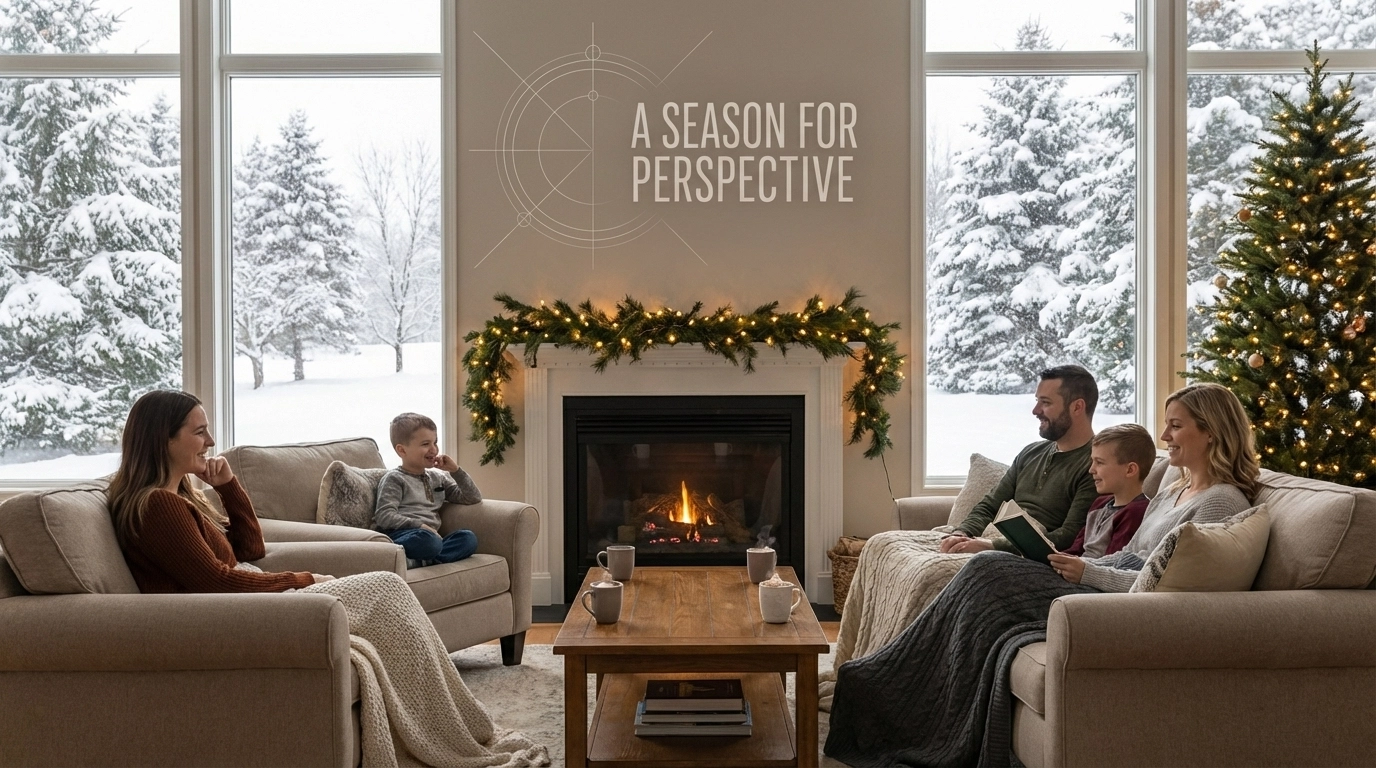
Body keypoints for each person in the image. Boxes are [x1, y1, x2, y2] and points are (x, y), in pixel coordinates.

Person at [824, 383, 1260, 767]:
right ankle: (902, 684)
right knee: (987, 569)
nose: (1165, 436)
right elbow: (1128, 555)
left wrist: (1087, 572)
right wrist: (1076, 565)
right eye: (1166, 425)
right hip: (1096, 579)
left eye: (1176, 426)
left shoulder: (1222, 502)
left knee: (989, 570)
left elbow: (1157, 582)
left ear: (1211, 431)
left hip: (1118, 606)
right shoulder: (1173, 490)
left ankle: (894, 685)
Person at [109, 390, 548, 768]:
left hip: (248, 601)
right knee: (385, 587)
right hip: (237, 614)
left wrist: (227, 488)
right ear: (162, 439)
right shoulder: (157, 507)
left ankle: (455, 724)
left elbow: (250, 551)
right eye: (198, 431)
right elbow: (218, 584)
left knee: (385, 593)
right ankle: (457, 728)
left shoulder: (180, 497)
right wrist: (300, 580)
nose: (211, 441)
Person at [822, 366, 1101, 706]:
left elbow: (1064, 538)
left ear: (1077, 407)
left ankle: (894, 684)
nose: (1035, 410)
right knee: (882, 543)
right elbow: (990, 502)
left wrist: (987, 545)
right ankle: (851, 665)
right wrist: (961, 532)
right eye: (1036, 401)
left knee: (931, 573)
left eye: (1045, 402)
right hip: (981, 538)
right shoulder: (1031, 452)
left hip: (1018, 556)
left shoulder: (1096, 466)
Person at [375, 412, 481, 568]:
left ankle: (421, 561)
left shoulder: (438, 478)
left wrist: (455, 471)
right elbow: (384, 516)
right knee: (429, 542)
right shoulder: (395, 479)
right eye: (426, 444)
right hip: (404, 535)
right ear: (402, 450)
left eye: (435, 442)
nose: (434, 449)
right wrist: (419, 525)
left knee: (468, 538)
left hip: (432, 538)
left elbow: (472, 497)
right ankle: (419, 556)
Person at [1063, 423, 1154, 559]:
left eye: (1099, 462)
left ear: (1130, 470)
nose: (1091, 469)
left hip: (1091, 575)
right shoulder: (1099, 503)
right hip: (1076, 569)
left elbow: (1112, 561)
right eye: (1092, 461)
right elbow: (1076, 549)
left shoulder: (1137, 511)